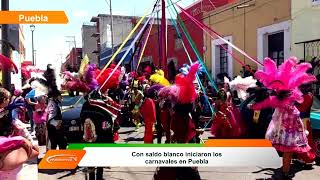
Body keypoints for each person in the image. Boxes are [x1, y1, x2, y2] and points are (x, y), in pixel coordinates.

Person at [251, 57, 316, 178]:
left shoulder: (280, 104)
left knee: (287, 152)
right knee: (288, 152)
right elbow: (297, 108)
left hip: (283, 133)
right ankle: (286, 171)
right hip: (290, 133)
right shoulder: (290, 105)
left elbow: (269, 105)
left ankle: (286, 171)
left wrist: (257, 105)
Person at [0, 88, 39, 179]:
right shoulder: (13, 122)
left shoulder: (9, 116)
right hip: (9, 158)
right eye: (8, 99)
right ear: (5, 100)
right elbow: (21, 130)